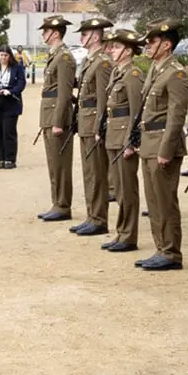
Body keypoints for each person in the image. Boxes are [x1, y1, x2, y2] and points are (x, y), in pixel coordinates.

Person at [125, 20, 188, 270]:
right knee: (153, 200)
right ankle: (161, 247)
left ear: (167, 44)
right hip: (149, 141)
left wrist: (166, 149)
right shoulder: (156, 69)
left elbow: (175, 116)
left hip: (162, 143)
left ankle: (171, 252)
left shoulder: (175, 72)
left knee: (165, 200)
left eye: (152, 42)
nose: (148, 46)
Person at [99, 28, 144, 252]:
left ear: (128, 50)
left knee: (127, 189)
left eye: (116, 47)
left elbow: (137, 112)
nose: (111, 50)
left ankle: (129, 235)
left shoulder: (133, 75)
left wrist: (132, 142)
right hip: (113, 136)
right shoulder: (118, 73)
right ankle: (121, 232)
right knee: (118, 188)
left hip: (123, 137)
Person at [70, 16, 115, 237]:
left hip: (93, 121)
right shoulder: (90, 60)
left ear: (96, 36)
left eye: (85, 34)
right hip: (85, 121)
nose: (81, 38)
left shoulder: (103, 62)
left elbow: (103, 99)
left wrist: (99, 127)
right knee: (89, 173)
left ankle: (99, 218)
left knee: (97, 173)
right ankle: (91, 215)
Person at [37, 15, 78, 221]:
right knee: (53, 162)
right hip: (49, 113)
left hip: (56, 115)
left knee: (60, 164)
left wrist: (58, 121)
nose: (43, 35)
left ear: (55, 33)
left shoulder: (63, 57)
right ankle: (57, 202)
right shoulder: (55, 55)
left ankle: (62, 205)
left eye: (45, 31)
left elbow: (64, 92)